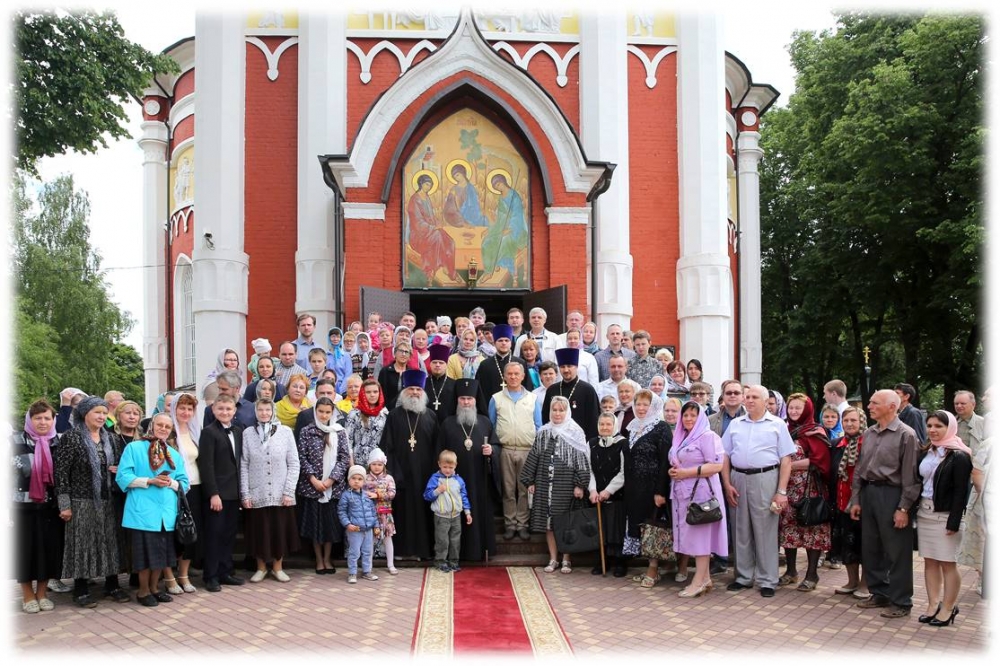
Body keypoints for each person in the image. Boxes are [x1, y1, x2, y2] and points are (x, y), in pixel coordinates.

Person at [849, 389, 921, 619]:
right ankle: (879, 592)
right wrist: (856, 499)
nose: (869, 406)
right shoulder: (869, 433)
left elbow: (911, 476)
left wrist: (903, 508)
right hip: (869, 493)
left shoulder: (906, 435)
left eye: (874, 403)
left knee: (897, 550)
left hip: (892, 494)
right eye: (869, 402)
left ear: (892, 406)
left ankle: (901, 601)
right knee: (871, 547)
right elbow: (860, 469)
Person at [54, 396, 130, 608]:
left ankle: (112, 584)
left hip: (108, 500)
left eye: (104, 413)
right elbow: (61, 473)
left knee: (110, 542)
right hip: (81, 501)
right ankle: (81, 589)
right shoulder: (72, 437)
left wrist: (117, 470)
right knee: (82, 544)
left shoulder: (111, 439)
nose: (101, 416)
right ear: (84, 414)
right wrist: (64, 504)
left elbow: (121, 467)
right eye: (97, 412)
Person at [721, 384, 795, 598]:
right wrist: (727, 483)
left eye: (754, 397)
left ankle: (767, 579)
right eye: (748, 397)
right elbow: (724, 455)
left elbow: (786, 459)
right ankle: (743, 577)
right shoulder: (735, 424)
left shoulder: (777, 424)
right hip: (738, 478)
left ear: (765, 401)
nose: (749, 400)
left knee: (765, 529)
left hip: (766, 478)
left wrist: (781, 491)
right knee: (740, 528)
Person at [115, 413, 190, 607]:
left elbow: (185, 483)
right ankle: (143, 590)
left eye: (167, 426)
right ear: (151, 426)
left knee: (162, 555)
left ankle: (155, 588)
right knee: (144, 556)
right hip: (142, 511)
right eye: (160, 425)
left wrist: (171, 482)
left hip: (166, 512)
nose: (163, 429)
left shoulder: (173, 454)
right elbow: (122, 477)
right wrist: (149, 481)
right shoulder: (134, 448)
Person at [521, 396, 591, 574]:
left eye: (561, 410)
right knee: (549, 524)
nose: (557, 413)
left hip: (566, 485)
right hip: (545, 484)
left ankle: (566, 558)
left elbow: (582, 462)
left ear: (567, 412)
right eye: (554, 410)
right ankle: (553, 558)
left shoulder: (576, 432)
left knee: (565, 522)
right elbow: (534, 456)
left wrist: (580, 485)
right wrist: (530, 480)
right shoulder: (544, 432)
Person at [916, 410, 973, 626]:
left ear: (949, 428)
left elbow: (961, 491)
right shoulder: (927, 451)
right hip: (925, 512)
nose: (932, 430)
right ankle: (933, 604)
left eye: (938, 426)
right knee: (930, 561)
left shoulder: (959, 455)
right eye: (929, 425)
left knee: (948, 563)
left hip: (946, 515)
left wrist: (954, 521)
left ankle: (949, 607)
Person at [669, 401, 728, 597]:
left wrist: (686, 472)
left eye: (693, 415)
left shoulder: (708, 436)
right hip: (684, 494)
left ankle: (698, 582)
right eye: (685, 415)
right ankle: (706, 578)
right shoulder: (681, 436)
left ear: (701, 417)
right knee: (693, 536)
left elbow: (717, 466)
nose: (688, 419)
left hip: (702, 494)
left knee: (701, 537)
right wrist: (675, 471)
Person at [380, 370, 441, 559]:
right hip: (401, 474)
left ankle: (423, 551)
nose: (414, 392)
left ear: (423, 392)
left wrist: (433, 474)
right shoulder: (394, 416)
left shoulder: (431, 416)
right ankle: (400, 551)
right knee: (402, 513)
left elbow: (437, 447)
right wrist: (394, 473)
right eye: (411, 388)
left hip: (424, 475)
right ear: (404, 391)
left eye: (417, 389)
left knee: (423, 514)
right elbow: (387, 447)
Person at [438, 379, 500, 560]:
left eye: (469, 399)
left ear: (475, 400)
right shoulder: (448, 423)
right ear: (457, 400)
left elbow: (496, 445)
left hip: (480, 478)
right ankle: (457, 554)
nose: (466, 402)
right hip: (454, 480)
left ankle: (480, 550)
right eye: (463, 398)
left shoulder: (485, 422)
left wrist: (492, 451)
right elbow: (439, 451)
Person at [241, 398, 301, 583]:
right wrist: (245, 493)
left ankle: (277, 567)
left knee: (279, 531)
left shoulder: (285, 432)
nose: (264, 413)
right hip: (257, 491)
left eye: (268, 409)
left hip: (280, 491)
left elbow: (293, 463)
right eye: (261, 410)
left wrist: (288, 490)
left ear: (273, 411)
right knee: (259, 530)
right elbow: (244, 464)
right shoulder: (248, 433)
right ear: (256, 411)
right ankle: (261, 567)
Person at [12, 399, 64, 613]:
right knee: (24, 551)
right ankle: (27, 594)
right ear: (29, 419)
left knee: (48, 551)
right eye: (37, 418)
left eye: (47, 418)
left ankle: (42, 594)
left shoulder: (58, 442)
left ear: (53, 420)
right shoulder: (14, 441)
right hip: (22, 507)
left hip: (51, 507)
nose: (42, 422)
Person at [779, 394, 832, 591]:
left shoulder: (815, 431)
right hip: (787, 488)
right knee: (788, 529)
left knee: (811, 530)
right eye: (791, 407)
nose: (793, 412)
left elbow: (819, 461)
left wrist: (788, 465)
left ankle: (812, 574)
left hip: (809, 489)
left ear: (807, 410)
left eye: (798, 408)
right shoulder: (784, 429)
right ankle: (791, 571)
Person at [621, 389, 672, 588]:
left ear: (653, 407)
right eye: (638, 404)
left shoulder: (661, 428)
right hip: (634, 488)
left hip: (652, 488)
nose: (641, 409)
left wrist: (660, 491)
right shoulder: (632, 427)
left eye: (645, 405)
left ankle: (653, 568)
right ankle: (650, 567)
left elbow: (664, 462)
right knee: (640, 527)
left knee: (653, 527)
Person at [196, 394, 246, 592]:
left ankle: (226, 571)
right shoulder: (208, 432)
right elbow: (206, 465)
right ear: (214, 411)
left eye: (228, 409)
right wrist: (213, 493)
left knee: (229, 535)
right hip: (218, 494)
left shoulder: (239, 431)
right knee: (214, 535)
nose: (225, 412)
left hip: (234, 492)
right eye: (221, 409)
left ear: (234, 411)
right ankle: (211, 575)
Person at [296, 396, 350, 576]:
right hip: (312, 487)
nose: (324, 415)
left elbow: (344, 458)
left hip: (333, 488)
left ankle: (328, 558)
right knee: (315, 526)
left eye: (328, 412)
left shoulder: (340, 432)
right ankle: (318, 559)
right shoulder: (306, 431)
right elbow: (302, 457)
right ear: (315, 411)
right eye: (321, 411)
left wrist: (330, 480)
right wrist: (313, 479)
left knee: (329, 526)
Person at [490, 362, 542, 541]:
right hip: (505, 450)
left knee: (524, 489)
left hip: (526, 450)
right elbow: (492, 425)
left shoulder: (532, 399)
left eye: (516, 374)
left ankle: (523, 524)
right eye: (509, 374)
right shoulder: (496, 398)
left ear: (522, 376)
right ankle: (510, 524)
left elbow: (538, 425)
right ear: (504, 376)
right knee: (508, 490)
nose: (513, 377)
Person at [830, 406, 868, 598]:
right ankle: (852, 580)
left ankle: (865, 584)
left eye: (854, 420)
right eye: (846, 421)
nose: (850, 424)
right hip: (841, 501)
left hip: (863, 502)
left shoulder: (868, 443)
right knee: (846, 543)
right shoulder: (837, 443)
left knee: (864, 544)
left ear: (862, 421)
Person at [169, 393, 203, 594]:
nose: (186, 412)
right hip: (174, 489)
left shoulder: (194, 431)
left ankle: (184, 575)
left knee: (190, 532)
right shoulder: (168, 431)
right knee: (173, 534)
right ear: (174, 409)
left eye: (189, 409)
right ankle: (169, 577)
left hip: (195, 487)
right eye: (182, 408)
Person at [588, 412, 627, 577]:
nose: (605, 427)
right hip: (596, 494)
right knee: (600, 529)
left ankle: (620, 562)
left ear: (614, 426)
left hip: (616, 494)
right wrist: (592, 490)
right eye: (602, 424)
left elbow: (623, 472)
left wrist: (608, 490)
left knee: (616, 528)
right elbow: (588, 468)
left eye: (608, 424)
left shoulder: (623, 443)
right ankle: (602, 561)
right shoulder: (592, 443)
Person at [424, 449, 473, 572]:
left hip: (456, 516)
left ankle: (454, 561)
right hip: (441, 517)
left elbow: (464, 497)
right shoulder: (435, 479)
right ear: (439, 464)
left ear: (455, 466)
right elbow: (427, 495)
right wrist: (437, 490)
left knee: (455, 541)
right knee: (442, 541)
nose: (448, 470)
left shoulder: (458, 480)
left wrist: (467, 512)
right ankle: (440, 561)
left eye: (451, 467)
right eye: (445, 466)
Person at [406, 173, 458, 282]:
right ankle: (432, 269)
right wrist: (433, 228)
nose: (428, 187)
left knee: (450, 241)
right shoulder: (414, 200)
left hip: (430, 230)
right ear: (420, 184)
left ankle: (448, 268)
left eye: (430, 185)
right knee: (438, 237)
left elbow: (431, 217)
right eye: (426, 184)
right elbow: (417, 223)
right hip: (418, 235)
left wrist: (437, 224)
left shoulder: (427, 197)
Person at [541, 347, 600, 441]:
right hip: (555, 441)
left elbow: (593, 421)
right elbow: (545, 418)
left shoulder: (588, 390)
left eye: (569, 366)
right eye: (562, 367)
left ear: (576, 367)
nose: (566, 370)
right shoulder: (552, 390)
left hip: (580, 442)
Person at [476, 324, 532, 413]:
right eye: (500, 340)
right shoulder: (485, 365)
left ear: (511, 343)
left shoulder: (520, 363)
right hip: (492, 409)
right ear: (494, 343)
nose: (504, 343)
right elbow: (480, 391)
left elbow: (528, 388)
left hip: (518, 409)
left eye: (507, 340)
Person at [338, 465, 380, 584]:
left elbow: (373, 511)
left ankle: (367, 571)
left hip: (368, 529)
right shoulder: (346, 495)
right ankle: (352, 573)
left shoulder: (367, 495)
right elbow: (341, 512)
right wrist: (348, 524)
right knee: (354, 552)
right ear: (349, 480)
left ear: (364, 481)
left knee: (368, 551)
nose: (356, 481)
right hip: (355, 530)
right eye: (354, 478)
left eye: (360, 479)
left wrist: (376, 525)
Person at [364, 448, 398, 575]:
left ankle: (391, 564)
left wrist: (377, 495)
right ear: (369, 465)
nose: (377, 467)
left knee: (388, 539)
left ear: (384, 465)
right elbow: (361, 493)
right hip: (370, 515)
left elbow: (392, 493)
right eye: (374, 464)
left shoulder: (389, 478)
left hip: (385, 514)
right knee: (370, 541)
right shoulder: (365, 478)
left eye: (379, 464)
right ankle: (369, 566)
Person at [345, 379, 389, 467]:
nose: (372, 395)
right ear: (362, 394)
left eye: (375, 392)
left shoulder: (385, 414)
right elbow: (348, 441)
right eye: (368, 392)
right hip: (358, 463)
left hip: (378, 465)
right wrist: (352, 465)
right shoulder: (354, 413)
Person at [425, 343, 457, 424]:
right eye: (434, 362)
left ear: (446, 365)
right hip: (426, 425)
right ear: (430, 364)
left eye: (441, 363)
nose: (437, 365)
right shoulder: (423, 383)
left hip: (447, 426)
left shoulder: (455, 384)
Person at [378, 342, 415, 408]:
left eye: (406, 352)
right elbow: (380, 393)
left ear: (410, 356)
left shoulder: (412, 373)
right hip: (387, 410)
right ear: (395, 353)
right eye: (401, 351)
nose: (403, 354)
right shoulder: (385, 371)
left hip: (407, 410)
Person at [954, 390, 985, 456]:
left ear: (973, 405)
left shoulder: (984, 423)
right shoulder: (949, 423)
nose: (959, 406)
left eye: (963, 403)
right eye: (956, 403)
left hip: (976, 465)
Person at [325, 327, 353, 394]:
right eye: (333, 336)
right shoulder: (325, 355)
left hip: (343, 390)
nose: (335, 339)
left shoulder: (346, 356)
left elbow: (348, 374)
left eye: (338, 336)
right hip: (328, 388)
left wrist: (341, 390)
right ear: (329, 338)